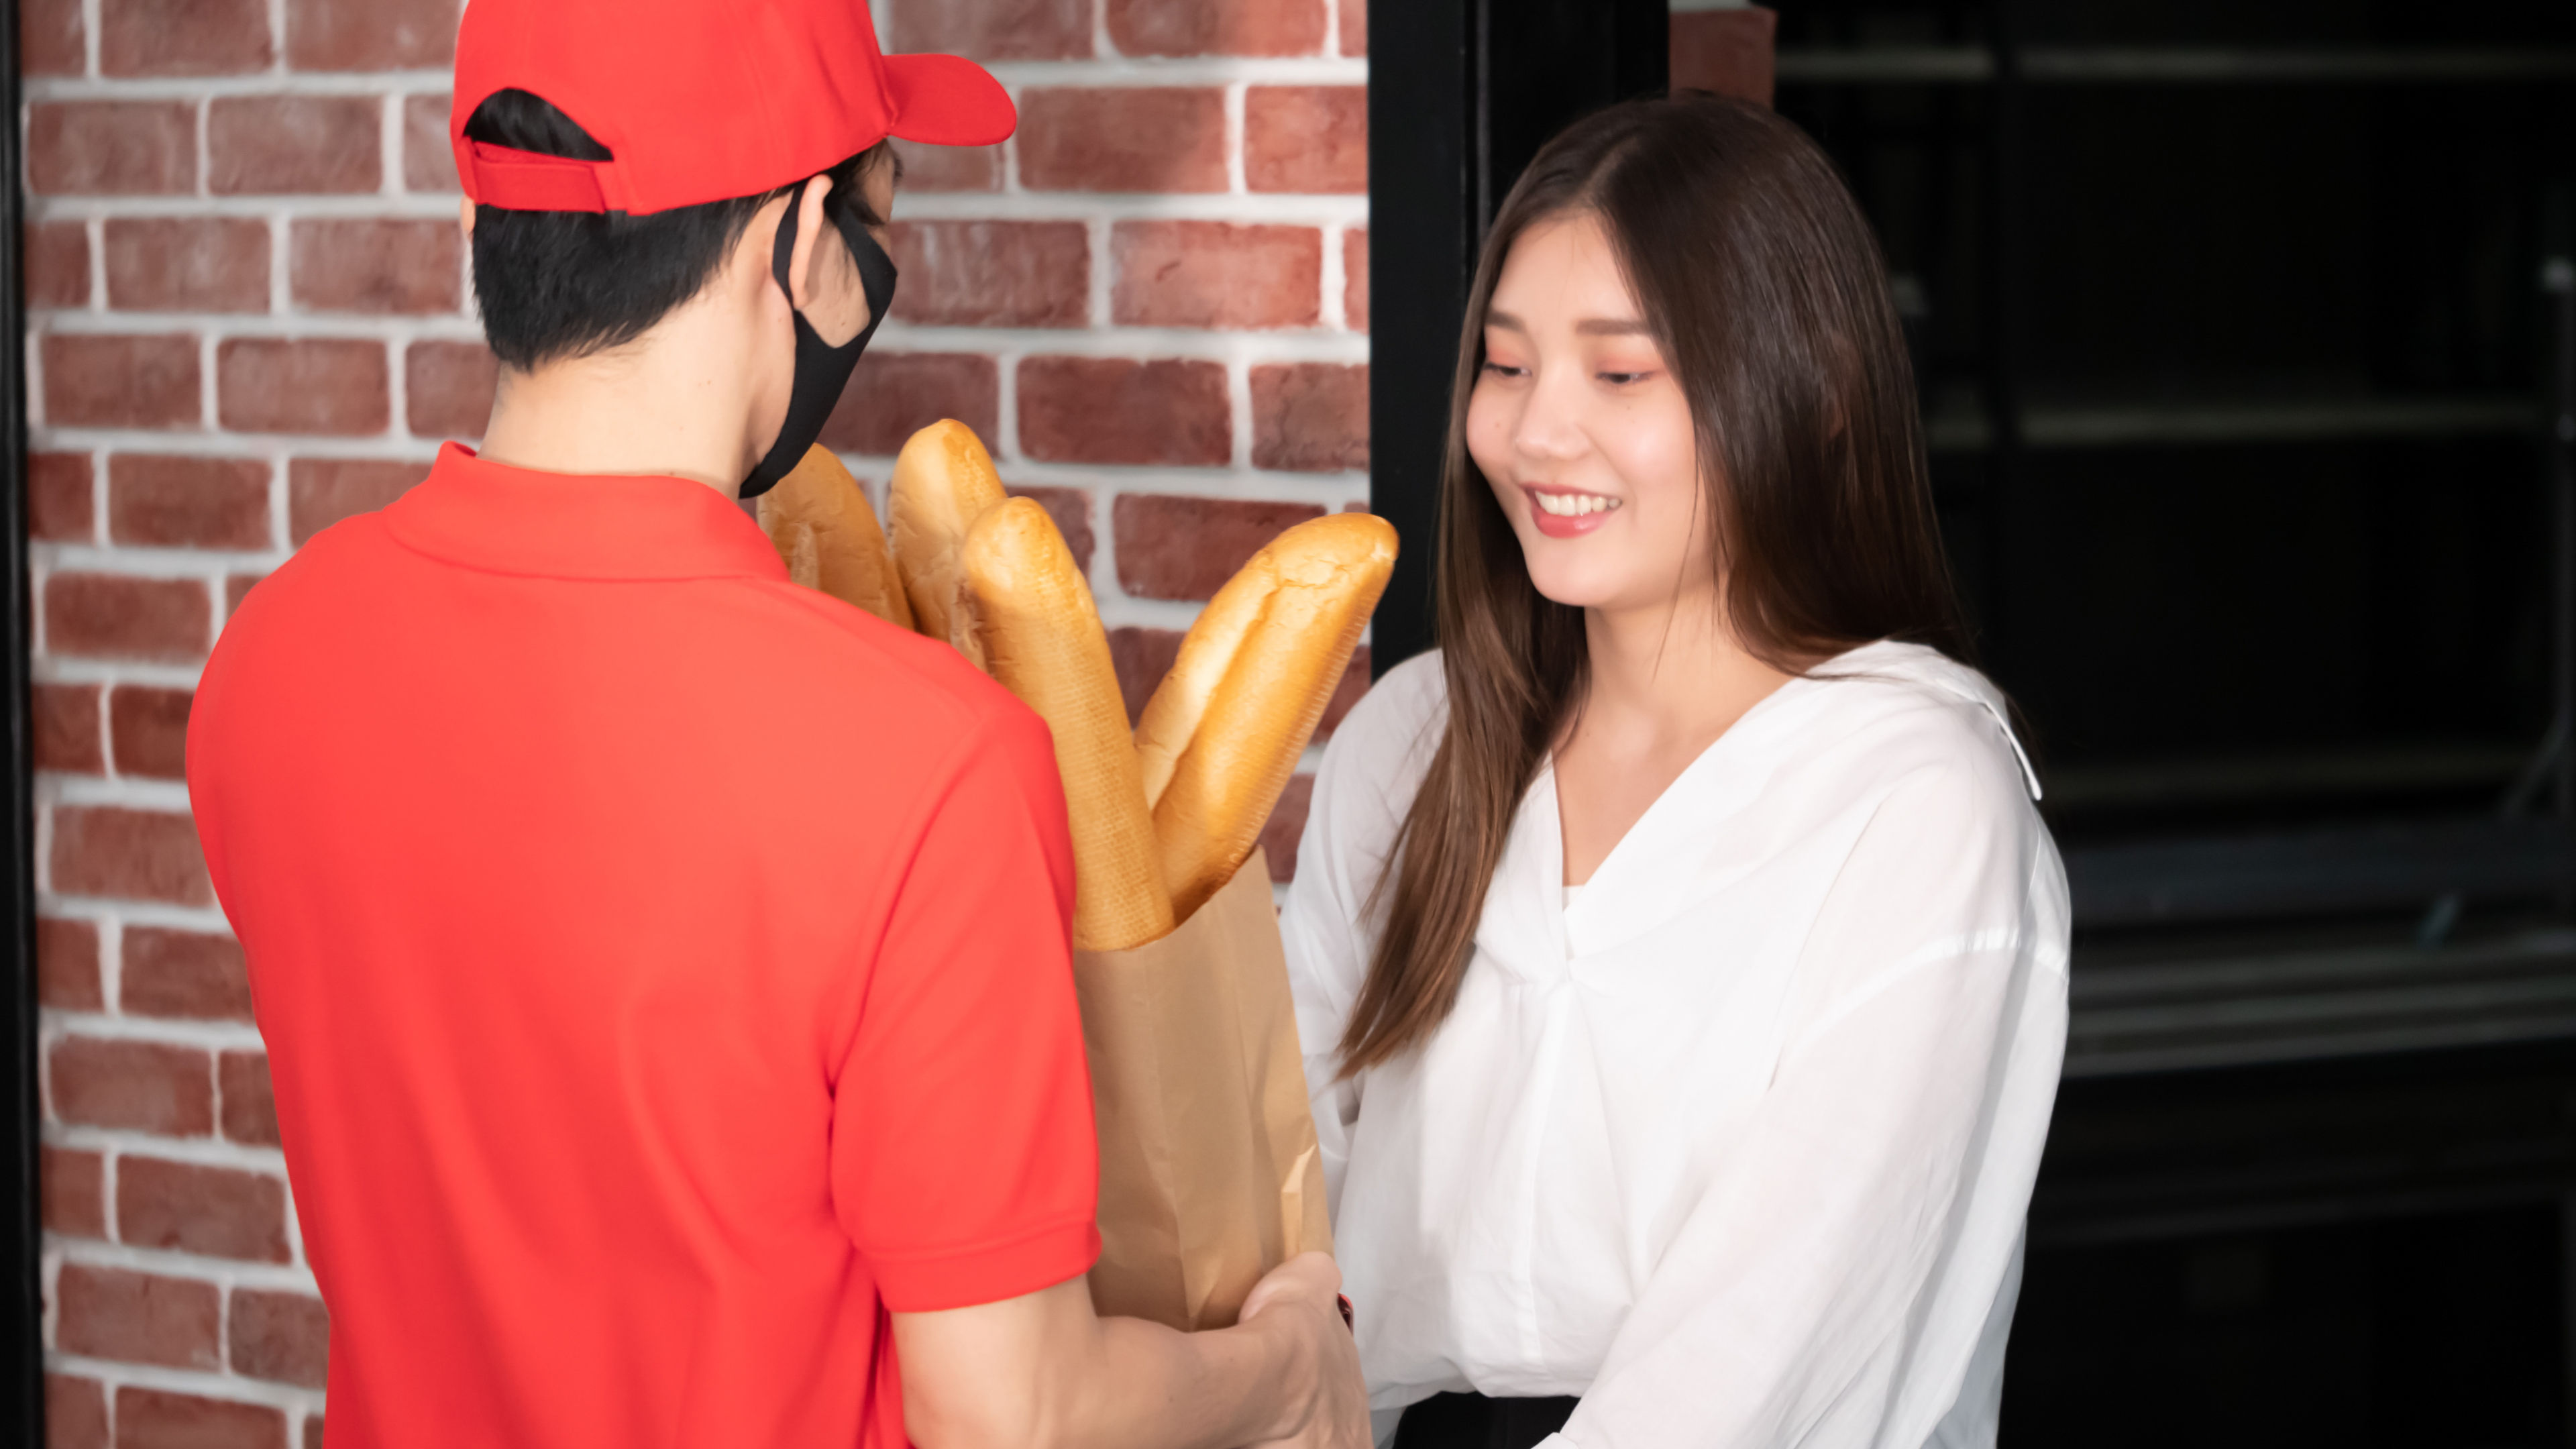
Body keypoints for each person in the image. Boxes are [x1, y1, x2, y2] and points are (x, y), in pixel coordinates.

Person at [184, 3, 1365, 1446]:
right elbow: (1019, 1419)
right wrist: (1288, 1365)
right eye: (879, 224)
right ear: (797, 243)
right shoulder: (929, 762)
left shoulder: (271, 663)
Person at [1281, 93, 2071, 1449]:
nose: (1537, 435)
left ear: (1815, 389)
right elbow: (1279, 1188)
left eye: (1622, 372)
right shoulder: (1416, 742)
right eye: (1509, 365)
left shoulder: (1914, 804)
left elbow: (1769, 1350)